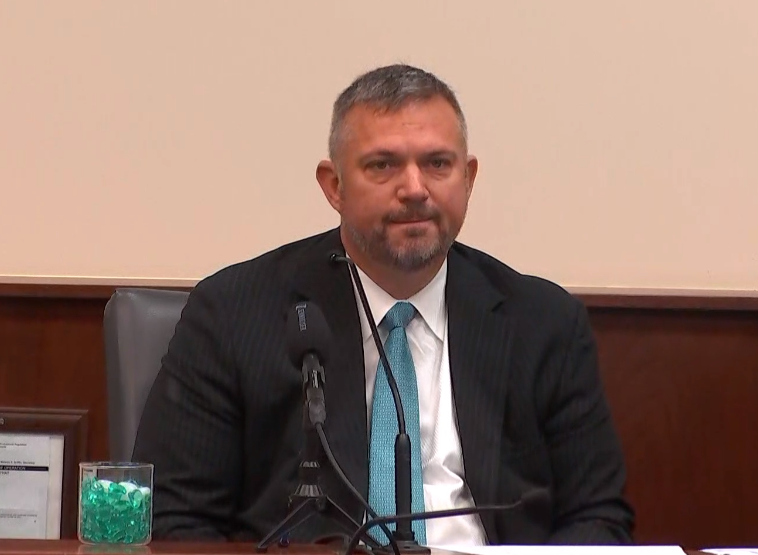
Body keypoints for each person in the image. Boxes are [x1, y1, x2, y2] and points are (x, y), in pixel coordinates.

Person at [132, 64, 635, 545]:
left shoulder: (543, 322)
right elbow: (176, 517)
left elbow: (598, 516)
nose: (414, 189)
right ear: (334, 186)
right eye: (383, 165)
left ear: (469, 177)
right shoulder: (234, 313)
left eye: (438, 164)